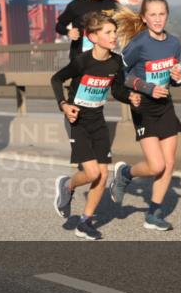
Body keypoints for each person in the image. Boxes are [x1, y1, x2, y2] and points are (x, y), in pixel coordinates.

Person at [50, 13, 140, 240]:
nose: (114, 37)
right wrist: (63, 105)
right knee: (90, 173)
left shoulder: (116, 62)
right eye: (108, 33)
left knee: (101, 175)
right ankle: (67, 186)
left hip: (98, 121)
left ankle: (85, 222)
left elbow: (117, 90)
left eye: (114, 32)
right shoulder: (83, 61)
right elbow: (56, 79)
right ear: (92, 37)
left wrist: (130, 97)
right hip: (77, 120)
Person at [110, 0, 181, 231]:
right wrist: (147, 87)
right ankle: (125, 173)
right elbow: (120, 76)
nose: (157, 19)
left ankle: (153, 213)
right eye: (152, 14)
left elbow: (175, 78)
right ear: (144, 17)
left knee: (169, 163)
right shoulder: (138, 44)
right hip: (143, 106)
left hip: (165, 106)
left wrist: (180, 77)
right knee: (156, 166)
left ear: (167, 15)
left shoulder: (174, 43)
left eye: (161, 14)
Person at [55, 0, 121, 60]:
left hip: (107, 59)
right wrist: (68, 32)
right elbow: (59, 26)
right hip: (81, 59)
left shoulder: (114, 5)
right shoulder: (76, 5)